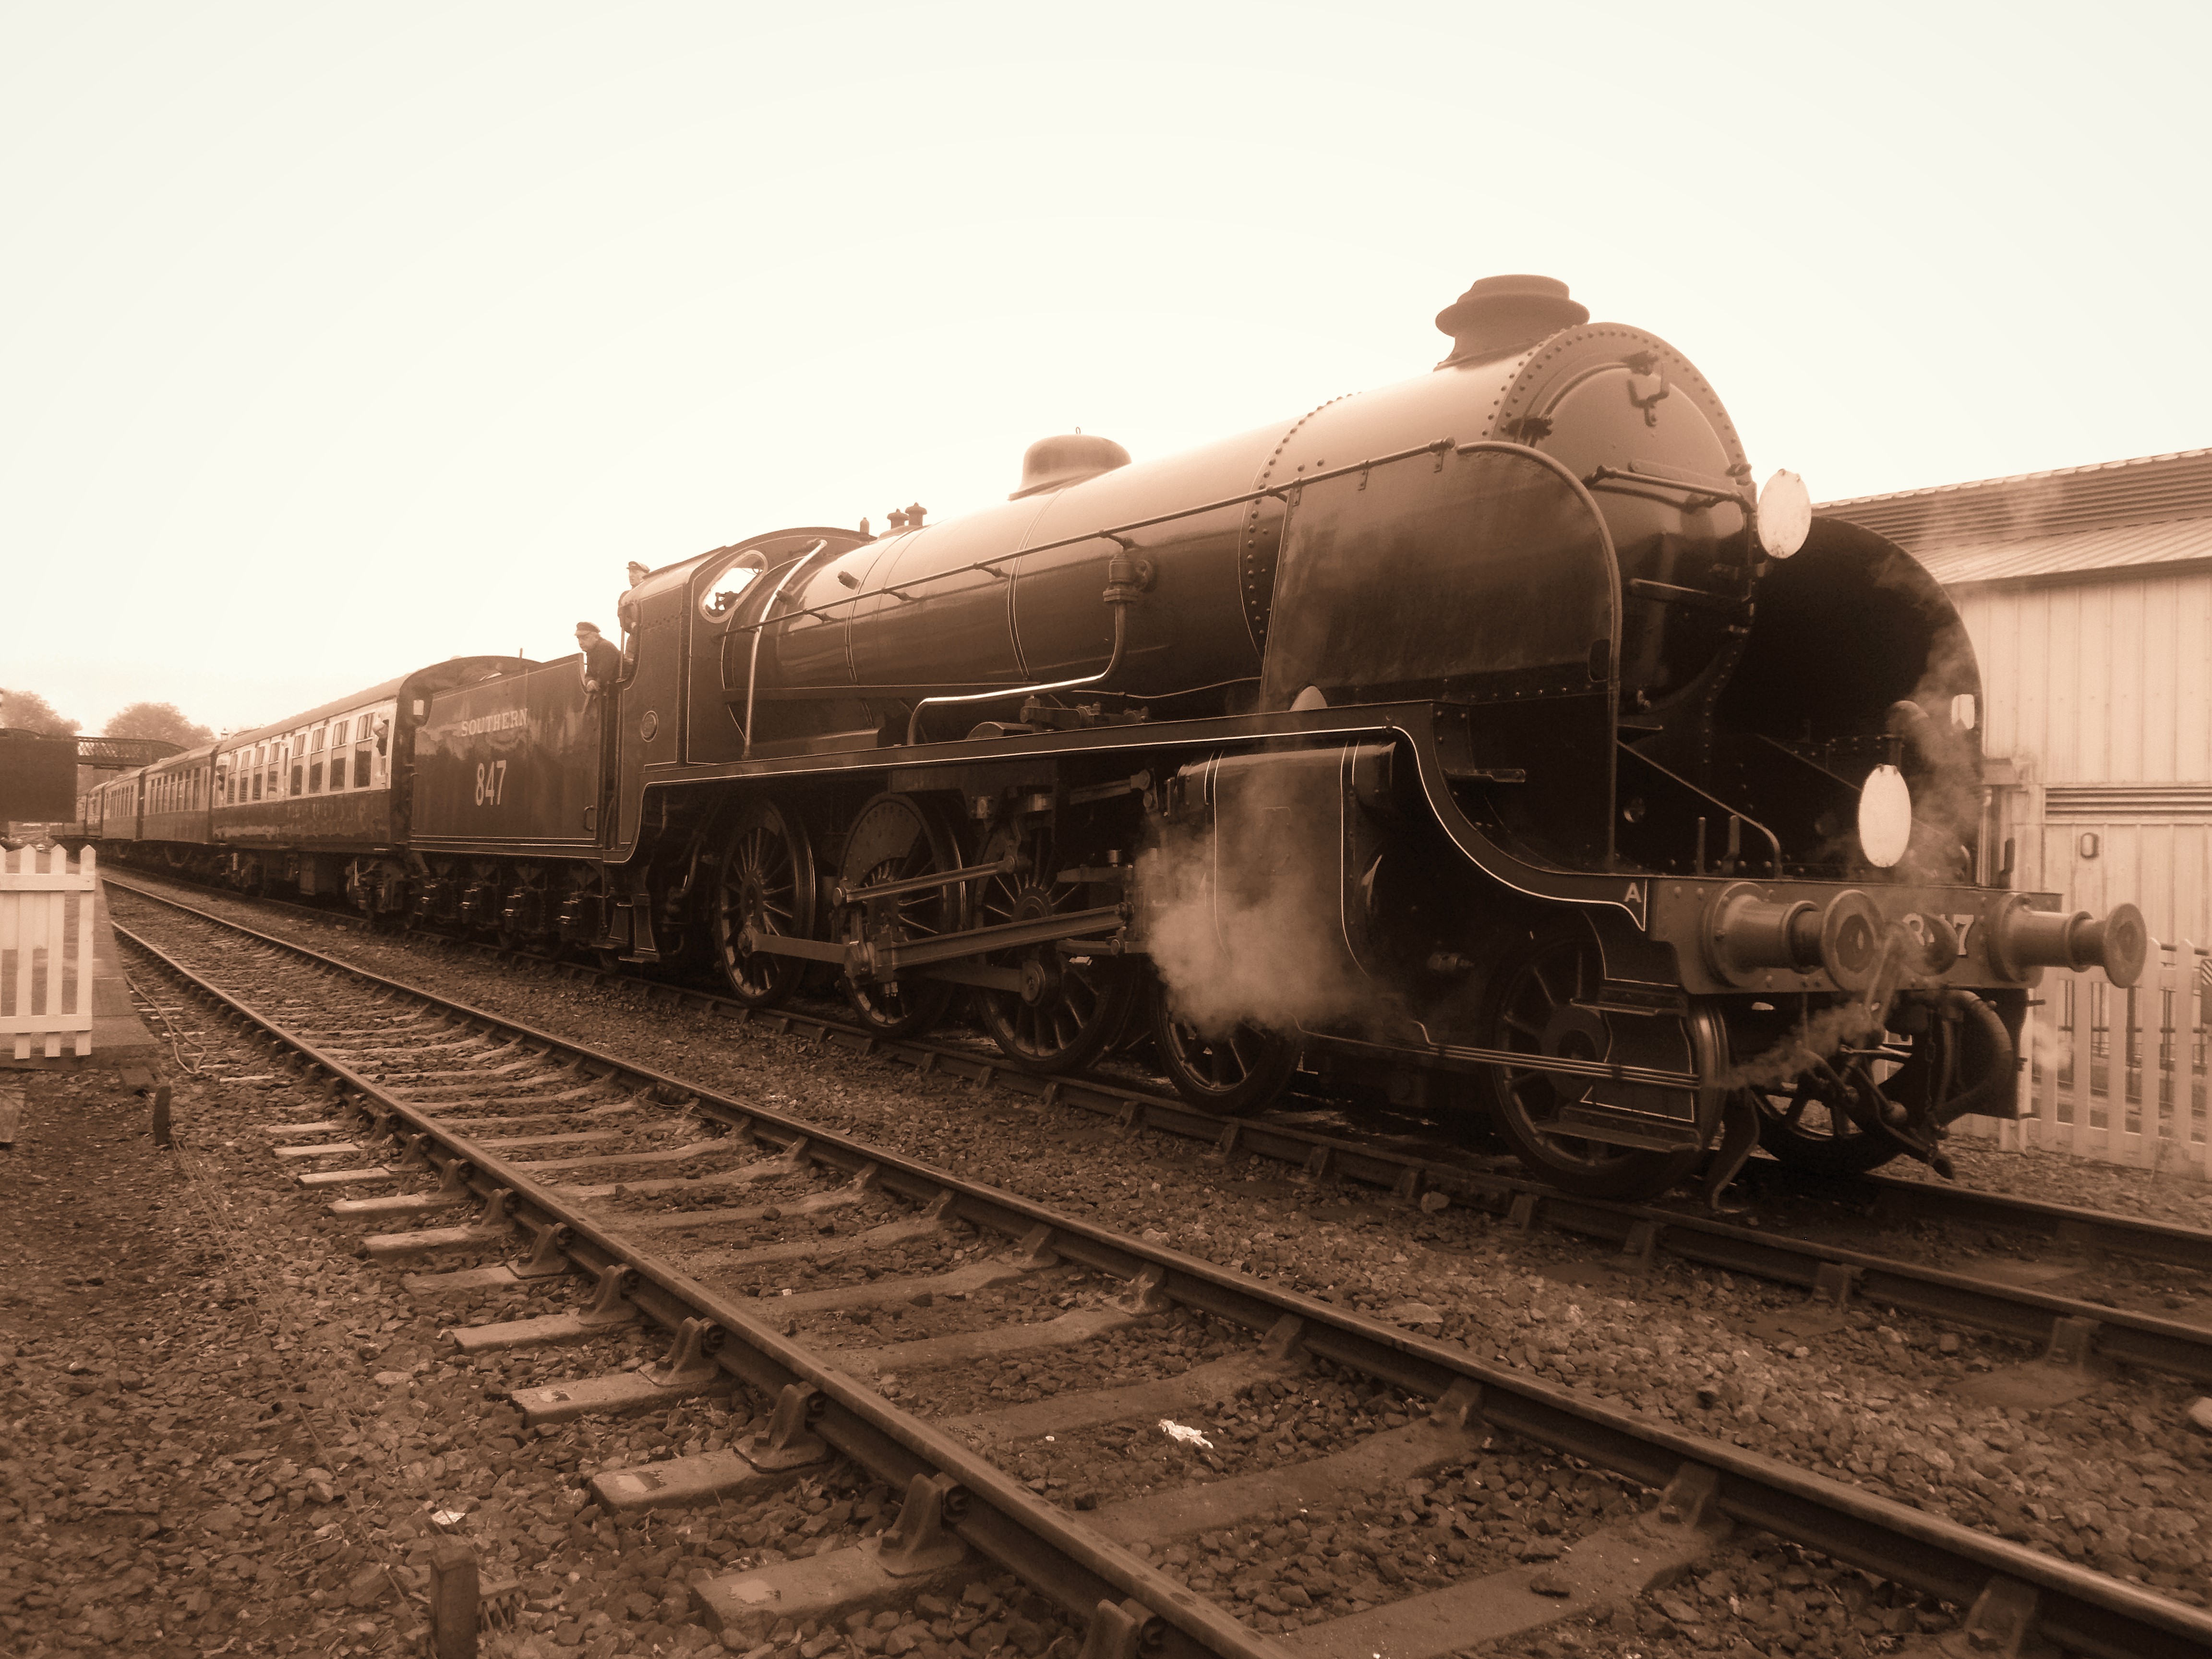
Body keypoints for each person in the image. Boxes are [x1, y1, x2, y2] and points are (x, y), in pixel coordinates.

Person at [575, 623, 623, 697]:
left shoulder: (605, 647)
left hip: (621, 690)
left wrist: (594, 683)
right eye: (579, 639)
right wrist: (590, 682)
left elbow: (604, 676)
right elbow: (589, 674)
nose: (581, 643)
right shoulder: (591, 652)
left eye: (585, 638)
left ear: (596, 637)